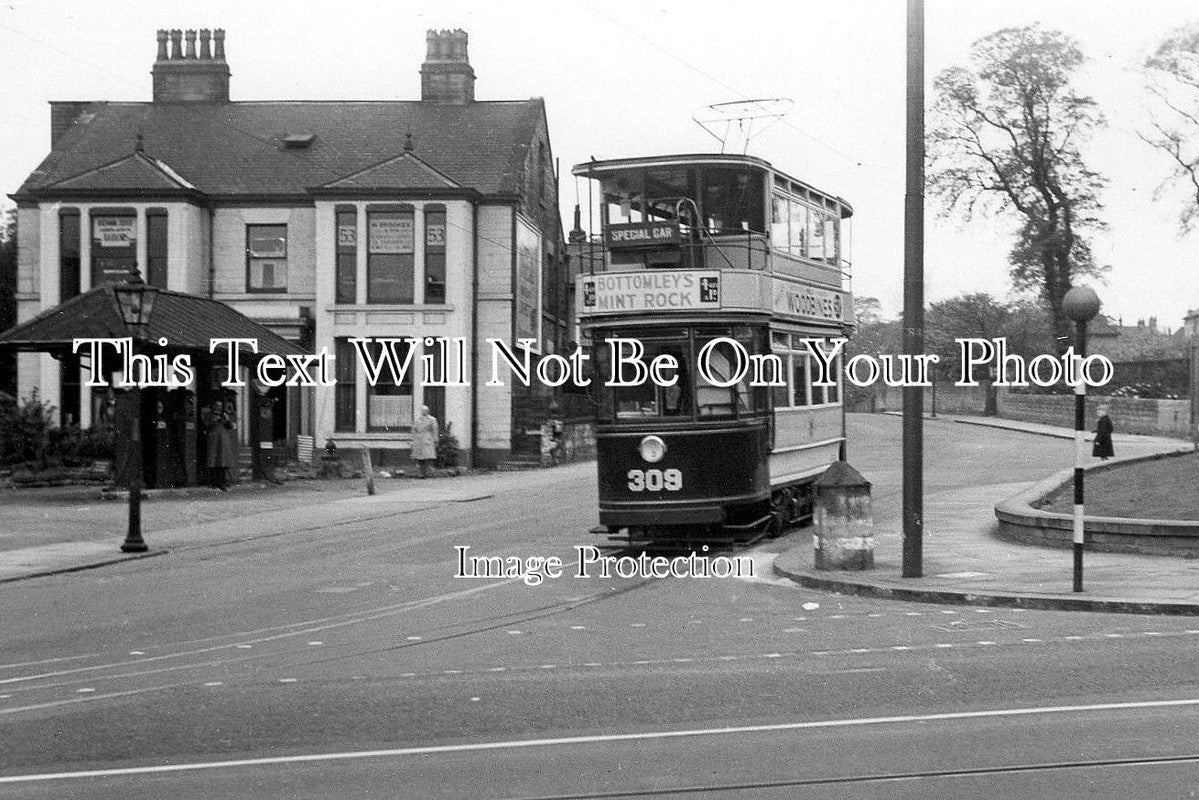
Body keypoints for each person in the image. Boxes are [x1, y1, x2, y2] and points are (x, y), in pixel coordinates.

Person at [205, 399, 233, 490]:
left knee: (222, 462)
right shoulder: (209, 415)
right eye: (217, 406)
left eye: (220, 406)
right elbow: (207, 425)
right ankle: (213, 483)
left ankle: (222, 483)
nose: (218, 408)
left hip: (222, 442)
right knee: (213, 462)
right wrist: (214, 421)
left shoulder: (224, 415)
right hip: (213, 441)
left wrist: (227, 420)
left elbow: (230, 426)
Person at [412, 405, 438, 478]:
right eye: (423, 410)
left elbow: (435, 430)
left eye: (426, 410)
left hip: (427, 438)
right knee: (419, 457)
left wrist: (435, 439)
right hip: (419, 440)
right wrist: (414, 438)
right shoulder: (418, 419)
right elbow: (414, 429)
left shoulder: (432, 419)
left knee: (428, 456)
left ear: (428, 411)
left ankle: (430, 473)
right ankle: (420, 473)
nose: (424, 411)